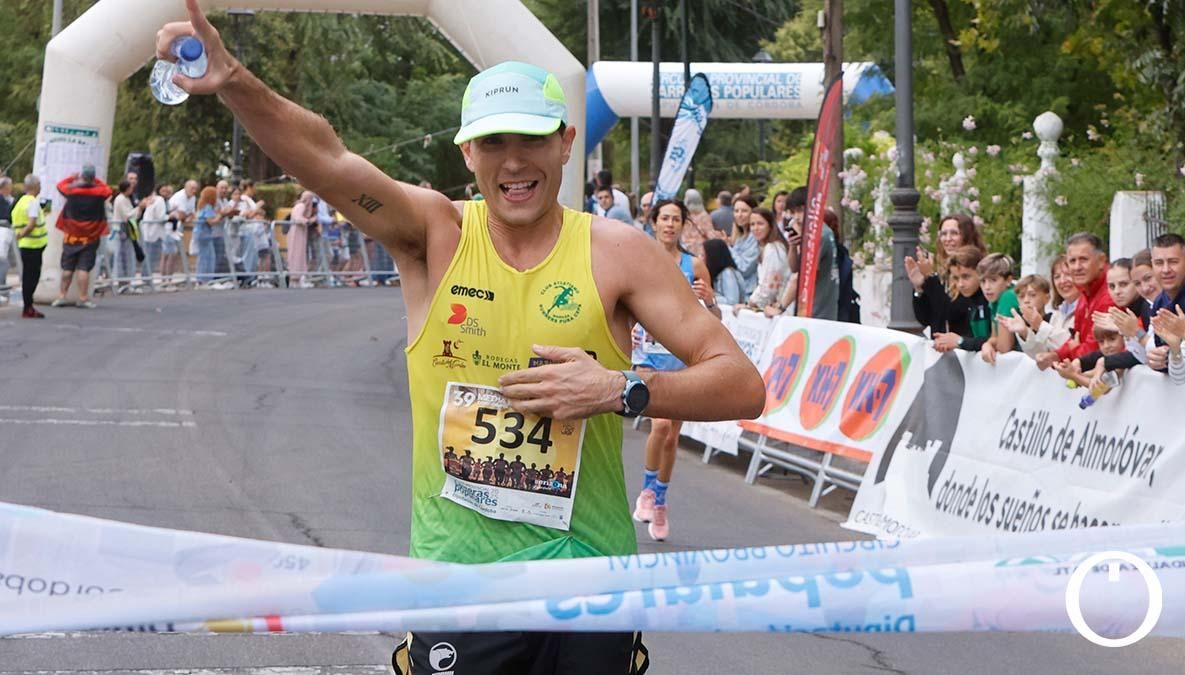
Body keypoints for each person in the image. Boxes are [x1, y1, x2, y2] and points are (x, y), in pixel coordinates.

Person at [161, 5, 763, 669]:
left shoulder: (619, 253)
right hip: (460, 585)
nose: (514, 163)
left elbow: (741, 382)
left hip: (590, 583)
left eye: (531, 140)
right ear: (467, 151)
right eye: (494, 142)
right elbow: (328, 160)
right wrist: (235, 81)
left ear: (566, 141)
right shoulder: (435, 233)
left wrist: (620, 388)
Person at [630, 198, 718, 542]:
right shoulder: (639, 259)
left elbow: (715, 320)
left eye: (675, 219)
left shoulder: (694, 265)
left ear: (683, 225)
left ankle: (661, 501)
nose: (669, 224)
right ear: (654, 223)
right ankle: (648, 491)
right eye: (664, 218)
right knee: (661, 426)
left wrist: (708, 298)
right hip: (647, 358)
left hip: (680, 358)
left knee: (672, 438)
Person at [1036, 233, 1114, 370]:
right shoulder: (1085, 291)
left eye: (1083, 260)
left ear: (1101, 261)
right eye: (1072, 261)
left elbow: (1094, 349)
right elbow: (1075, 339)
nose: (1077, 267)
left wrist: (1069, 352)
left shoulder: (1110, 293)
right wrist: (1055, 355)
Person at [904, 214, 987, 333]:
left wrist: (929, 282)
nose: (948, 239)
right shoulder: (941, 273)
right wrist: (919, 287)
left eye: (954, 233)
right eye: (943, 234)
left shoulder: (978, 269)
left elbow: (954, 312)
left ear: (967, 236)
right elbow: (925, 319)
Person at [54, 164, 112, 308]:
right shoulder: (99, 192)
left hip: (71, 236)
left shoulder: (71, 191)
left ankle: (61, 296)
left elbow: (60, 185)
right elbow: (108, 190)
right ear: (92, 178)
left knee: (67, 268)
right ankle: (83, 298)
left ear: (82, 177)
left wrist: (73, 177)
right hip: (90, 237)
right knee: (83, 269)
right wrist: (95, 180)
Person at [782, 188, 839, 320]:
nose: (797, 217)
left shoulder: (820, 235)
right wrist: (793, 246)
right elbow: (794, 268)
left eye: (801, 210)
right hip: (814, 310)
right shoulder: (812, 234)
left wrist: (781, 307)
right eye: (793, 212)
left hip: (818, 311)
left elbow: (803, 275)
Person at [735, 207, 789, 313]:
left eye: (760, 224)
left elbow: (769, 287)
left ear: (770, 225)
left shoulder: (774, 249)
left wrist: (749, 304)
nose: (755, 228)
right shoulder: (766, 248)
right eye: (752, 224)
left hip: (779, 311)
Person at [12, 175, 49, 318]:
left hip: (25, 244)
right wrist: (22, 233)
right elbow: (32, 223)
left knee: (28, 275)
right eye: (39, 184)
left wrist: (19, 236)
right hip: (33, 245)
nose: (41, 187)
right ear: (34, 186)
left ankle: (28, 306)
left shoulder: (21, 201)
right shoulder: (33, 202)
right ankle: (28, 306)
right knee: (32, 277)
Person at [288, 191, 316, 288]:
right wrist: (308, 221)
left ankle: (297, 280)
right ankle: (296, 278)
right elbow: (297, 218)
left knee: (299, 254)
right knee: (297, 254)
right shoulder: (301, 206)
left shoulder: (299, 206)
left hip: (299, 232)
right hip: (297, 233)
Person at [702, 238, 742, 305]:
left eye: (703, 255)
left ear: (713, 256)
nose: (701, 258)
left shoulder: (727, 273)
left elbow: (732, 301)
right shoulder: (716, 273)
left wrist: (710, 296)